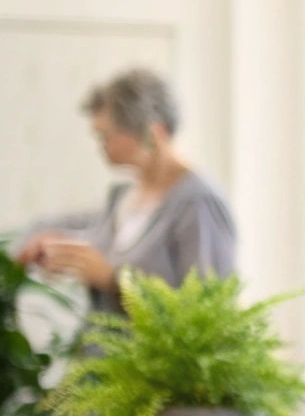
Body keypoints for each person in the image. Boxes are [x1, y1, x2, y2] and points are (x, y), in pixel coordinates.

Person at [13, 68, 235, 314]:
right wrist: (52, 245)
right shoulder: (125, 198)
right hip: (99, 351)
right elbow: (75, 229)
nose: (101, 146)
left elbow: (207, 311)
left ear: (153, 133)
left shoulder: (197, 203)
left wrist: (113, 280)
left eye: (106, 135)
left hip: (149, 354)